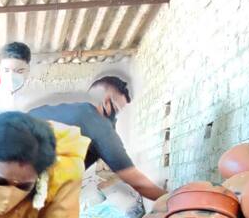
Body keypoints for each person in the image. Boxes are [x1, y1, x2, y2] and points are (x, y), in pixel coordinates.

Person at [30, 74, 167, 201]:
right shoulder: (96, 122)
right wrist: (172, 199)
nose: (115, 117)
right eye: (117, 110)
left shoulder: (57, 112)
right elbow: (136, 181)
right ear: (107, 102)